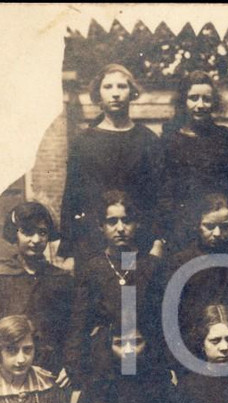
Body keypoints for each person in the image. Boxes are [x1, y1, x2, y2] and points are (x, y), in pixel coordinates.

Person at [59, 63, 162, 266]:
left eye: (121, 87)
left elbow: (160, 196)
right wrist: (68, 250)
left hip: (139, 241)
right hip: (93, 242)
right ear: (98, 95)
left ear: (132, 92)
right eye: (108, 87)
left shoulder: (148, 140)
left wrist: (158, 240)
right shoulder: (84, 142)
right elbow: (72, 196)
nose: (115, 94)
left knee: (132, 295)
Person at [65, 190, 165, 392]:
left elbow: (159, 319)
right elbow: (80, 321)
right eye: (112, 222)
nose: (120, 228)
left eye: (126, 221)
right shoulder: (94, 268)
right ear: (101, 226)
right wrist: (75, 367)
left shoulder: (147, 265)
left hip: (144, 359)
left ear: (136, 224)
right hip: (104, 361)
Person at [162, 191, 228, 364]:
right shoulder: (181, 262)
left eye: (225, 226)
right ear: (198, 225)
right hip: (193, 350)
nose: (218, 233)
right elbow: (170, 315)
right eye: (209, 226)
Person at [0, 201, 75, 383]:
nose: (36, 240)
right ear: (15, 235)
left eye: (42, 233)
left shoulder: (62, 281)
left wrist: (70, 366)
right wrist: (13, 365)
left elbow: (73, 331)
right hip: (5, 375)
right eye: (28, 232)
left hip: (50, 374)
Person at [157, 71, 228, 254]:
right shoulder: (169, 140)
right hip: (181, 229)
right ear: (183, 101)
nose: (200, 105)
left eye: (206, 99)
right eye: (193, 98)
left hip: (217, 228)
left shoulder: (227, 138)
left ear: (214, 102)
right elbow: (164, 191)